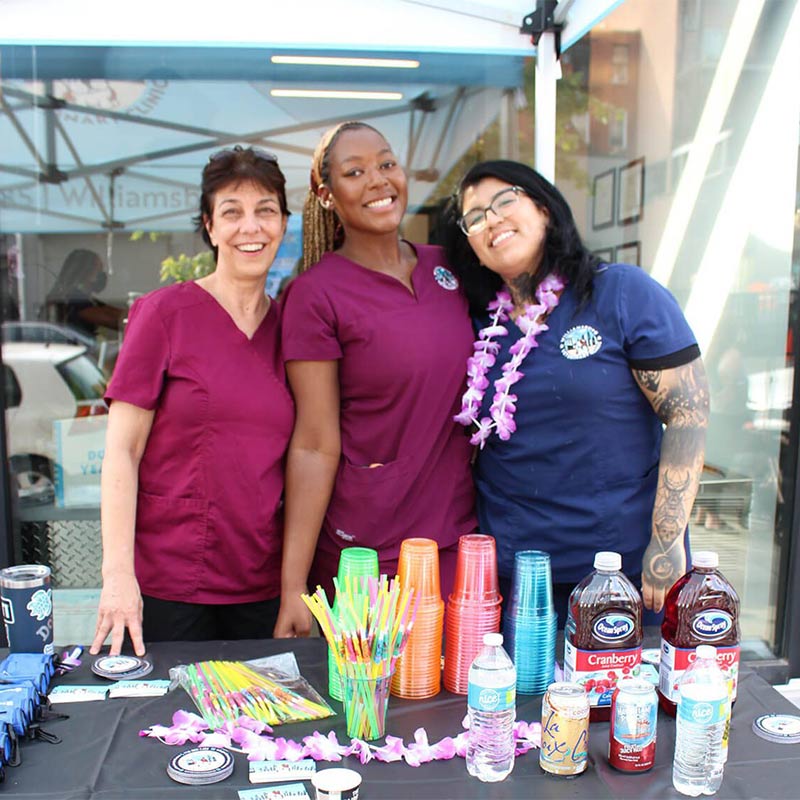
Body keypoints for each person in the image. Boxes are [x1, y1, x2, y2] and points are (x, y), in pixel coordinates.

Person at [441, 160, 710, 623]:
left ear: (544, 209)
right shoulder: (479, 324)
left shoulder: (621, 293)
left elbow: (687, 413)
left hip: (619, 574)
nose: (492, 219)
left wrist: (665, 544)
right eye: (476, 217)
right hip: (517, 580)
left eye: (505, 201)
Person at [90, 146, 294, 656]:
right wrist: (117, 575)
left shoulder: (294, 328)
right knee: (170, 730)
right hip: (170, 584)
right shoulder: (164, 315)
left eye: (265, 210)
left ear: (284, 223)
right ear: (209, 226)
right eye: (232, 212)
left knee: (267, 734)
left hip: (262, 582)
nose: (251, 227)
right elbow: (122, 452)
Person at [275, 122, 477, 638]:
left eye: (386, 164)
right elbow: (316, 443)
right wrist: (293, 584)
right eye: (354, 172)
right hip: (365, 554)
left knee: (458, 705)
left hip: (454, 539)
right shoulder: (315, 296)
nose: (377, 181)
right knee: (370, 713)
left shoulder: (449, 270)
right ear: (326, 194)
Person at [42, 248, 125, 336]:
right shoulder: (73, 300)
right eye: (98, 271)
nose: (101, 275)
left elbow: (113, 312)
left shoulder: (86, 299)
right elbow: (113, 319)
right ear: (85, 272)